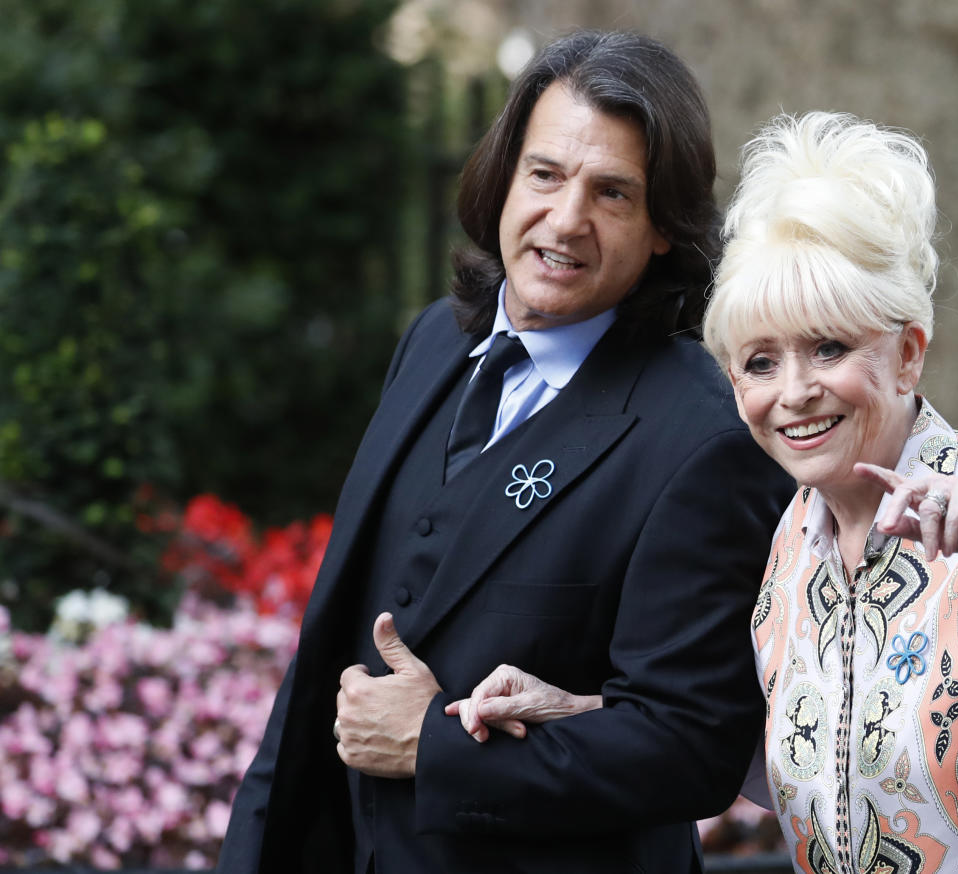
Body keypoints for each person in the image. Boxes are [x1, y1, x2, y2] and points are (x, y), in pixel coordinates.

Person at [459, 111, 958, 874]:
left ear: (908, 353)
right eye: (759, 363)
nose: (795, 392)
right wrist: (576, 713)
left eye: (829, 347)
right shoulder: (787, 551)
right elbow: (805, 761)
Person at [216, 30, 792, 874]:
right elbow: (326, 653)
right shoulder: (431, 342)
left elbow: (691, 748)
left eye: (613, 194)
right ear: (503, 178)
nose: (566, 220)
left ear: (664, 227)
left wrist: (433, 747)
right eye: (546, 175)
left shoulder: (704, 438)